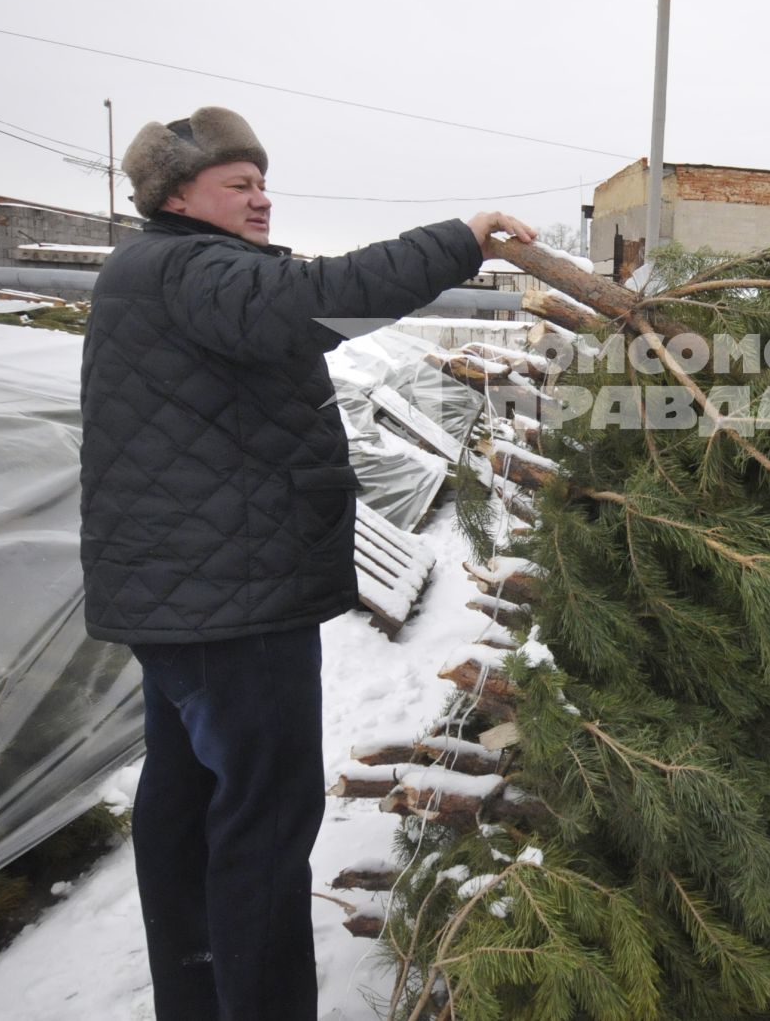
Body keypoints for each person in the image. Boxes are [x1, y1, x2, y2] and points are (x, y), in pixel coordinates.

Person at [78, 104, 535, 1020]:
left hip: (184, 604)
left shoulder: (154, 269)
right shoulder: (191, 268)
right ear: (177, 194)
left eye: (262, 181)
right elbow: (315, 298)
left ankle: (198, 999)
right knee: (263, 824)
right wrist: (459, 239)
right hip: (232, 611)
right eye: (238, 184)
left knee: (186, 811)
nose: (261, 198)